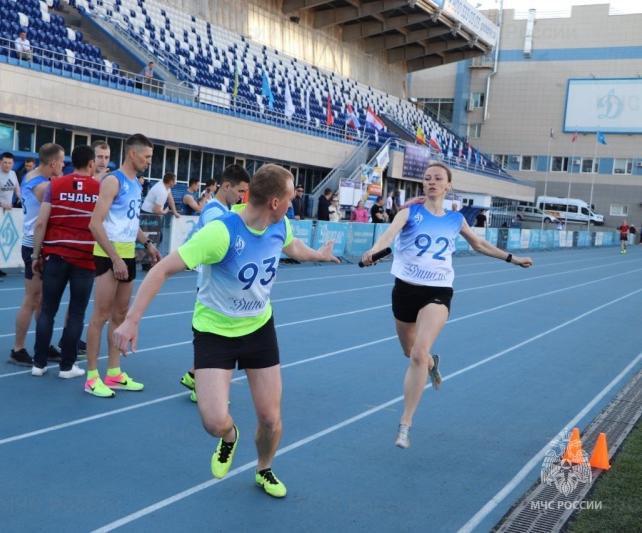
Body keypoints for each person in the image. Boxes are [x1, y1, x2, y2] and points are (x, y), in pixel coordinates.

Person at [113, 164, 340, 498]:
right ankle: (229, 436)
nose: (293, 204)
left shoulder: (281, 226)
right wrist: (132, 320)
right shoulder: (221, 233)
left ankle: (264, 468)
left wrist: (319, 256)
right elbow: (162, 269)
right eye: (290, 198)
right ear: (275, 202)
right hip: (215, 332)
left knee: (270, 418)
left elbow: (292, 248)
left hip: (258, 329)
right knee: (213, 421)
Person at [360, 162, 532, 449]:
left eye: (438, 178)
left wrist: (512, 259)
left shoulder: (456, 220)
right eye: (427, 178)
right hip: (404, 290)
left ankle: (405, 424)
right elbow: (387, 237)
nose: (431, 182)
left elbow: (479, 244)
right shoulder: (408, 212)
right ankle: (431, 364)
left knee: (417, 353)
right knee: (410, 352)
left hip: (438, 291)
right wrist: (374, 252)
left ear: (448, 185)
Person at [83, 134, 162, 397]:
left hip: (128, 252)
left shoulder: (136, 184)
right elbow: (95, 224)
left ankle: (114, 373)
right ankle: (92, 376)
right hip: (109, 253)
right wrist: (115, 258)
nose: (150, 161)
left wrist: (148, 243)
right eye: (147, 156)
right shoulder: (113, 181)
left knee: (120, 316)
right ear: (133, 154)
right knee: (101, 316)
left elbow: (131, 222)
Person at [179, 164, 251, 403]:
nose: (242, 197)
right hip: (211, 283)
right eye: (240, 191)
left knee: (216, 338)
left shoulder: (225, 209)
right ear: (227, 186)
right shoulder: (214, 212)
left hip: (219, 282)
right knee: (214, 339)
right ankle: (201, 389)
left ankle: (193, 375)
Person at [30, 145, 101, 378]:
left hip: (56, 256)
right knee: (77, 313)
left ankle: (38, 364)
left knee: (47, 310)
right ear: (91, 163)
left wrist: (36, 255)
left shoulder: (55, 185)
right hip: (84, 259)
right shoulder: (99, 188)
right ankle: (67, 366)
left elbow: (40, 222)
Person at [8, 143, 66, 366]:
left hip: (41, 244)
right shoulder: (40, 185)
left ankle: (43, 343)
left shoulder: (34, 177)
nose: (63, 166)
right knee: (31, 299)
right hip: (35, 246)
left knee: (42, 299)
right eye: (61, 162)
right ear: (52, 163)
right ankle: (18, 348)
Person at [0, 152, 21, 276]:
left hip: (8, 211)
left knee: (2, 238)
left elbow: (17, 189)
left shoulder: (13, 174)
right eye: (5, 163)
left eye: (9, 163)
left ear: (13, 163)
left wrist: (22, 199)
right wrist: (1, 204)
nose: (7, 165)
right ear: (0, 162)